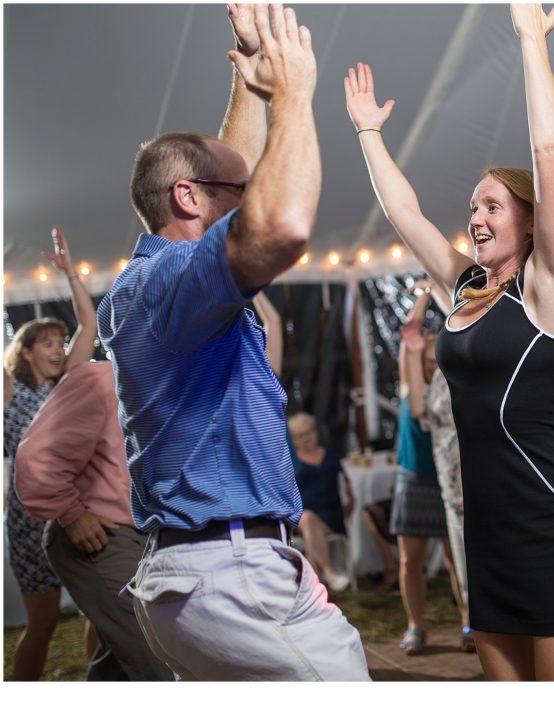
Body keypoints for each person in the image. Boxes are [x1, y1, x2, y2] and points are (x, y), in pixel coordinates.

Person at [96, 4, 368, 680]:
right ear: (187, 198)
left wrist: (247, 79)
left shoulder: (158, 285)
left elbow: (226, 171)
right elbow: (279, 227)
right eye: (238, 193)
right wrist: (294, 96)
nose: (252, 196)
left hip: (206, 572)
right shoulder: (167, 284)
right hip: (229, 571)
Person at [346, 4, 554, 680]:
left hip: (550, 526)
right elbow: (406, 215)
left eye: (492, 205)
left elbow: (548, 154)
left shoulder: (545, 290)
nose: (475, 216)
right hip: (485, 534)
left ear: (528, 219)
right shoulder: (462, 290)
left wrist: (529, 42)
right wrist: (370, 133)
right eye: (472, 206)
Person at [15, 360, 173, 681]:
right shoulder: (100, 379)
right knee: (163, 662)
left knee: (121, 665)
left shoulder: (173, 378)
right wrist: (72, 514)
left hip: (150, 539)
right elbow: (36, 460)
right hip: (106, 536)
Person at [3, 226, 97, 681]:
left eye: (61, 343)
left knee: (101, 612)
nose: (59, 350)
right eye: (47, 343)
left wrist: (70, 275)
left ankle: (95, 683)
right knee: (41, 625)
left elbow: (90, 326)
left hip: (75, 511)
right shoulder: (10, 391)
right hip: (27, 521)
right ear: (23, 351)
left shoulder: (66, 386)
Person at [392, 288, 465, 655]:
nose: (430, 365)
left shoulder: (449, 391)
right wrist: (425, 293)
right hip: (413, 476)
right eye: (425, 358)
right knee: (410, 559)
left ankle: (468, 620)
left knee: (457, 555)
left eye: (436, 360)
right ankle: (415, 625)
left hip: (447, 479)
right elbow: (410, 334)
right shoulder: (411, 386)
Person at [410, 281, 476, 653]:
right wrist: (412, 350)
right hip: (450, 486)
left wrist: (435, 291)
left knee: (487, 565)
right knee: (465, 571)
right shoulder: (437, 379)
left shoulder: (468, 371)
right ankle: (475, 624)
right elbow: (420, 410)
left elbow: (465, 323)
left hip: (481, 481)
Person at [288, 411, 355, 593]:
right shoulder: (289, 462)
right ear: (293, 440)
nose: (307, 438)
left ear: (316, 432)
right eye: (300, 436)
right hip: (301, 517)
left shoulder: (331, 455)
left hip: (331, 515)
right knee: (308, 518)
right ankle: (330, 573)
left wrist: (349, 509)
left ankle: (314, 588)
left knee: (311, 530)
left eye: (309, 432)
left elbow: (349, 488)